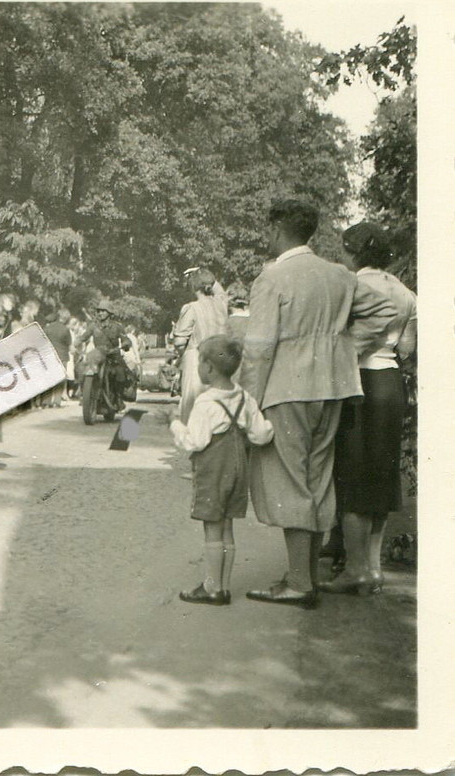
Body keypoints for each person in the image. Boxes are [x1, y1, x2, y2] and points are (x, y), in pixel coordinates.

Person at [240, 199, 396, 608]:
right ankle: (305, 574)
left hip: (286, 390)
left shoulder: (271, 279)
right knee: (318, 479)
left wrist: (247, 404)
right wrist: (342, 349)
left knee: (289, 480)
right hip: (333, 388)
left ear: (276, 229)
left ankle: (298, 582)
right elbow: (384, 309)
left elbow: (257, 350)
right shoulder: (338, 275)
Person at [320, 221, 417, 595]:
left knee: (352, 476)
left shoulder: (354, 286)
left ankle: (355, 569)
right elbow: (406, 348)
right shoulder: (404, 291)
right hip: (391, 384)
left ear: (354, 252)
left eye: (345, 250)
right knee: (380, 477)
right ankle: (373, 569)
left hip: (358, 380)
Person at [171, 335, 274, 605]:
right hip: (238, 470)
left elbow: (195, 441)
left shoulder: (206, 403)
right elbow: (262, 434)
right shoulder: (245, 398)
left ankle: (213, 587)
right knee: (227, 527)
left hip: (214, 471)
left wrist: (175, 426)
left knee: (212, 527)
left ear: (207, 367)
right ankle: (224, 586)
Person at [173, 268, 229, 423]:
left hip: (197, 358)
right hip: (220, 358)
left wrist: (182, 354)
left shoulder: (191, 307)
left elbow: (179, 341)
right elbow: (221, 291)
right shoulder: (222, 304)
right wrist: (206, 274)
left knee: (192, 403)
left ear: (193, 286)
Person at [41, 308, 73, 407]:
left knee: (49, 378)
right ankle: (57, 401)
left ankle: (46, 401)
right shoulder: (66, 330)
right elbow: (69, 344)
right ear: (66, 318)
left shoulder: (48, 328)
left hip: (49, 356)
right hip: (62, 356)